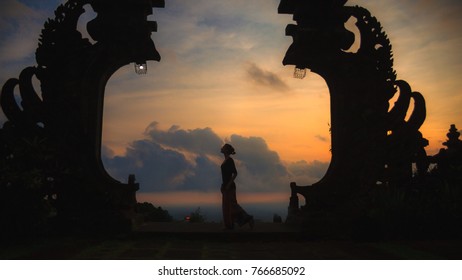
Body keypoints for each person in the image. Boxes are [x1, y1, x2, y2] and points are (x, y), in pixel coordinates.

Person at [220, 143, 254, 230]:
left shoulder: (230, 161)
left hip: (230, 187)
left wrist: (228, 185)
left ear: (226, 150)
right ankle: (229, 225)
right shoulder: (225, 160)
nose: (221, 148)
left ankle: (248, 218)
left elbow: (235, 174)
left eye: (223, 147)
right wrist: (223, 185)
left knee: (233, 206)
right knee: (227, 206)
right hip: (225, 186)